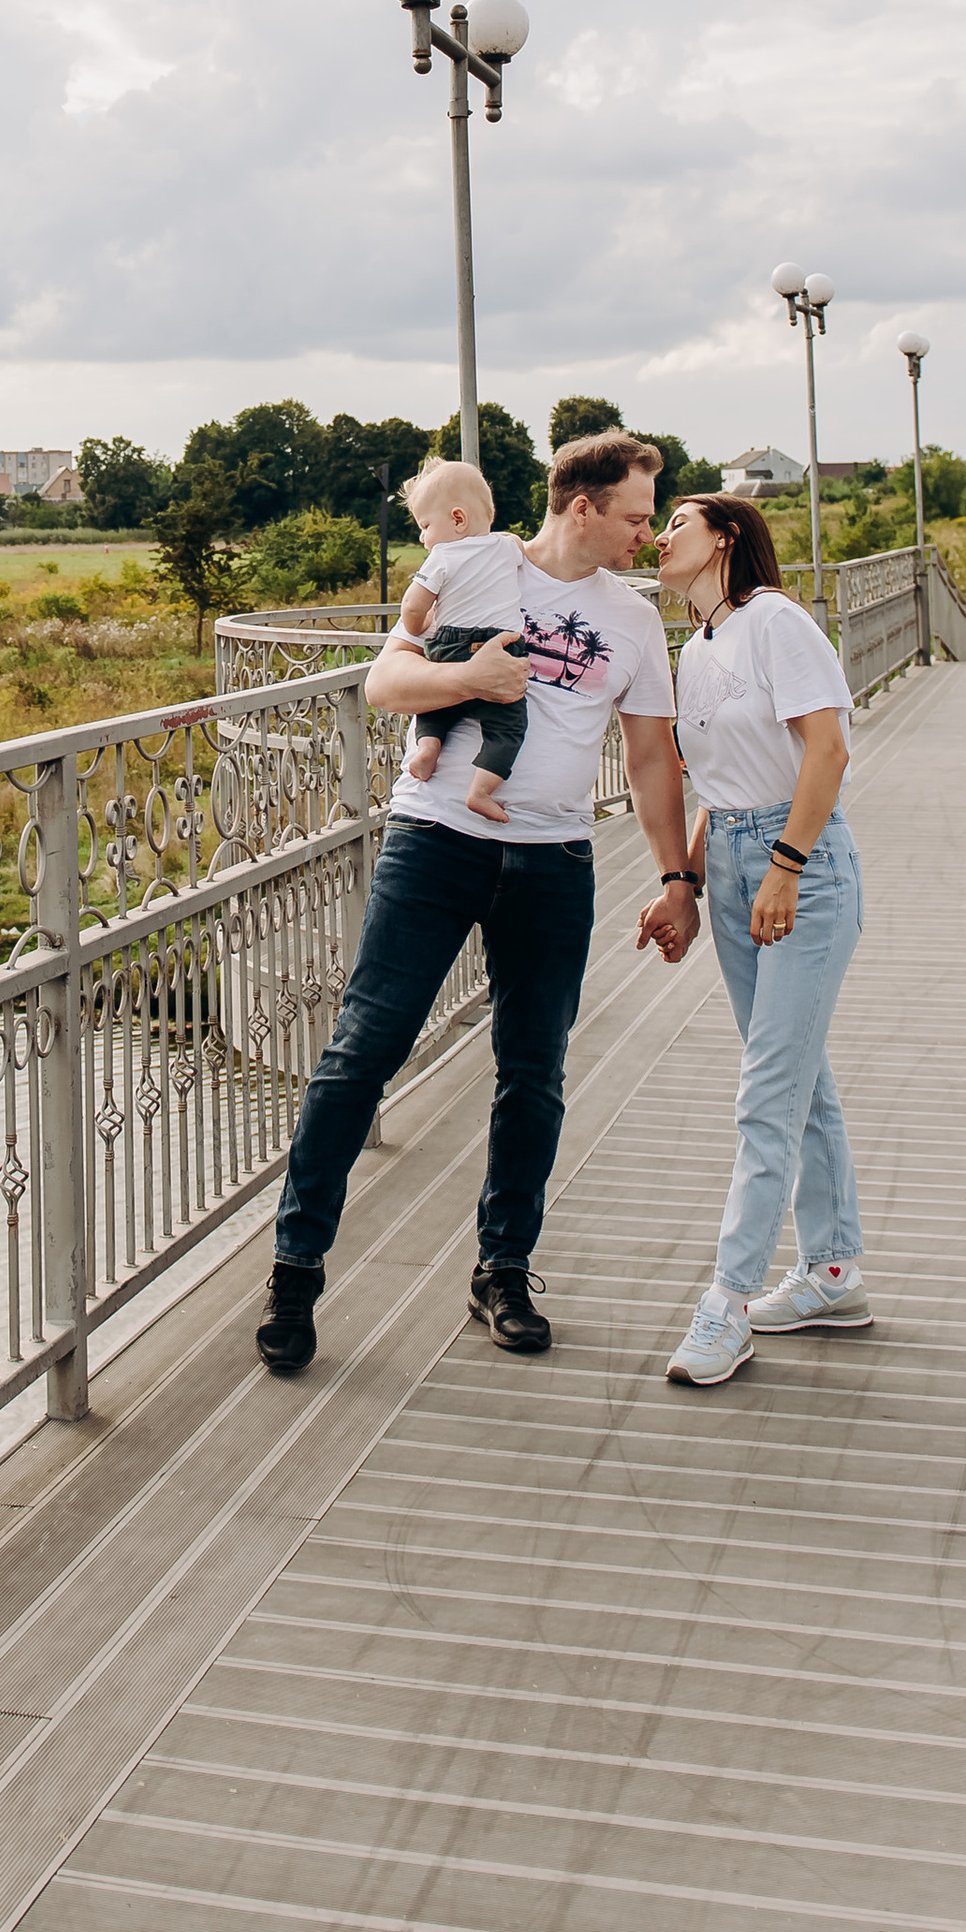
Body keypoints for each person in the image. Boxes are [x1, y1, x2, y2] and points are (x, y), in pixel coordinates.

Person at [254, 432, 698, 1375]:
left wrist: (676, 879)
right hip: (436, 841)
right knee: (361, 1051)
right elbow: (384, 681)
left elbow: (654, 757)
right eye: (632, 514)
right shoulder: (473, 560)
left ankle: (503, 1268)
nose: (644, 533)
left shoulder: (630, 617)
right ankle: (296, 1269)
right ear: (581, 507)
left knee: (533, 1071)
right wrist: (470, 680)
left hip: (553, 857)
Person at [638, 490, 866, 1388]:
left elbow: (828, 751)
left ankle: (726, 1303)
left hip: (797, 862)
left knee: (766, 1092)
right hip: (732, 855)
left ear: (727, 537)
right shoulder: (693, 649)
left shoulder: (776, 622)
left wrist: (787, 864)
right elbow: (718, 783)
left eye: (678, 525)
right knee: (798, 1078)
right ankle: (834, 1270)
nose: (660, 537)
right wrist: (686, 882)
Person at [396, 456, 528, 823]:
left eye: (424, 525)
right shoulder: (507, 546)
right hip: (501, 647)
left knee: (436, 704)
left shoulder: (442, 556)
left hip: (450, 645)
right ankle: (482, 791)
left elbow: (412, 605)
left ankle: (427, 748)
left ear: (457, 519)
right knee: (507, 728)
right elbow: (522, 548)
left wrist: (420, 624)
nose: (422, 537)